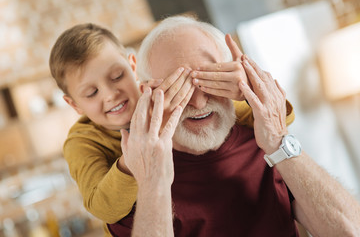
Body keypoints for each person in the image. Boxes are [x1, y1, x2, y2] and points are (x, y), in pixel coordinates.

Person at [114, 16, 360, 237]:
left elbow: (349, 231)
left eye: (211, 80)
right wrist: (153, 183)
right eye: (178, 87)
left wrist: (278, 138)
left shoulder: (266, 146)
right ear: (148, 93)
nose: (198, 102)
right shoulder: (131, 181)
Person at [48, 23, 288, 236]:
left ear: (132, 66)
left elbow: (281, 119)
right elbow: (103, 207)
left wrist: (245, 91)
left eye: (117, 76)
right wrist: (134, 159)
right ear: (74, 104)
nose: (111, 95)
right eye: (91, 93)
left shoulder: (166, 93)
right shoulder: (82, 141)